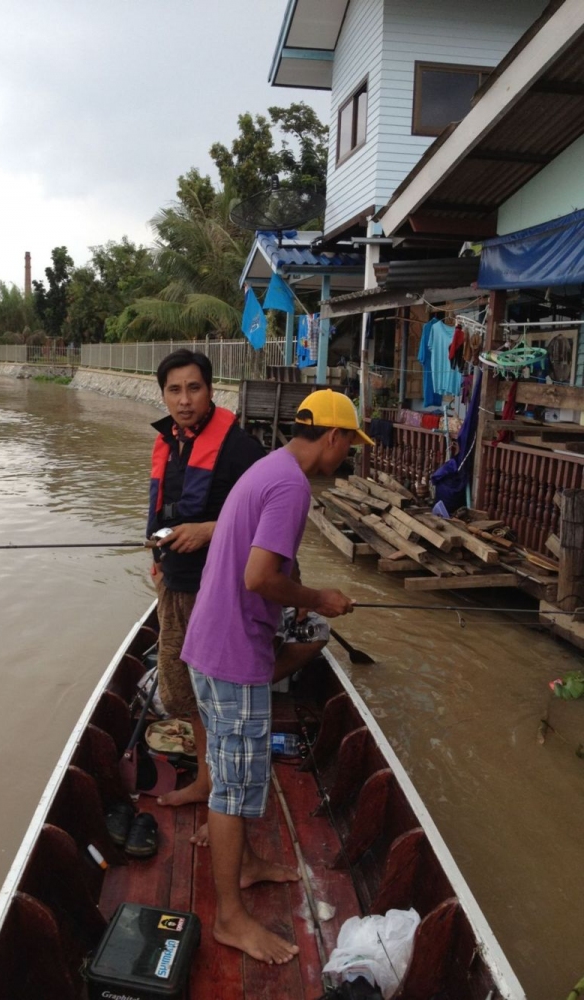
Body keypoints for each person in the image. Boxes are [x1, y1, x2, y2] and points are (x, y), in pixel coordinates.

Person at [180, 389, 375, 966]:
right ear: (334, 438)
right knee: (233, 787)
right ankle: (229, 919)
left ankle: (244, 863)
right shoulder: (291, 487)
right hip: (233, 656)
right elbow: (259, 576)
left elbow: (257, 564)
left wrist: (292, 600)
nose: (348, 456)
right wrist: (320, 598)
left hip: (211, 644)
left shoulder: (271, 465)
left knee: (235, 768)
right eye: (350, 445)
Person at [147, 349, 264, 809]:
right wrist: (157, 554)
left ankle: (224, 789)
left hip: (219, 590)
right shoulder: (169, 442)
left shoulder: (240, 448)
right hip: (173, 585)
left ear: (211, 390)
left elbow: (268, 519)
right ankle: (208, 778)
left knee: (217, 690)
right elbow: (162, 510)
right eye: (174, 390)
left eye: (194, 388)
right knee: (181, 685)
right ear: (164, 396)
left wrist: (209, 530)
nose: (184, 399)